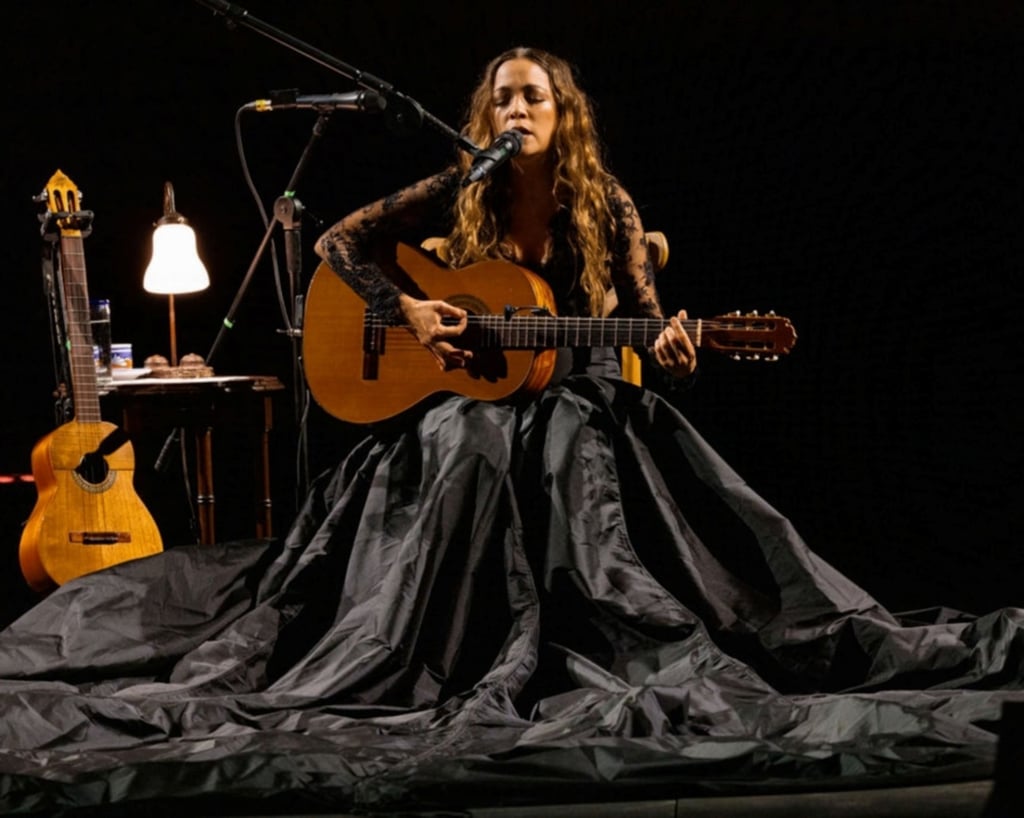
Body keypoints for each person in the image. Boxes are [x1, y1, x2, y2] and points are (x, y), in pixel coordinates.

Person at [1, 45, 1024, 815]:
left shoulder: (605, 204)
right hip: (469, 404)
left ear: (563, 112)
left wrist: (673, 339)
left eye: (532, 95)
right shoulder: (465, 185)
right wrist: (406, 309)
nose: (515, 108)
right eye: (501, 96)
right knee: (464, 442)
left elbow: (642, 312)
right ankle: (429, 652)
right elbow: (339, 239)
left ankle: (568, 644)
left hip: (577, 399)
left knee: (562, 446)